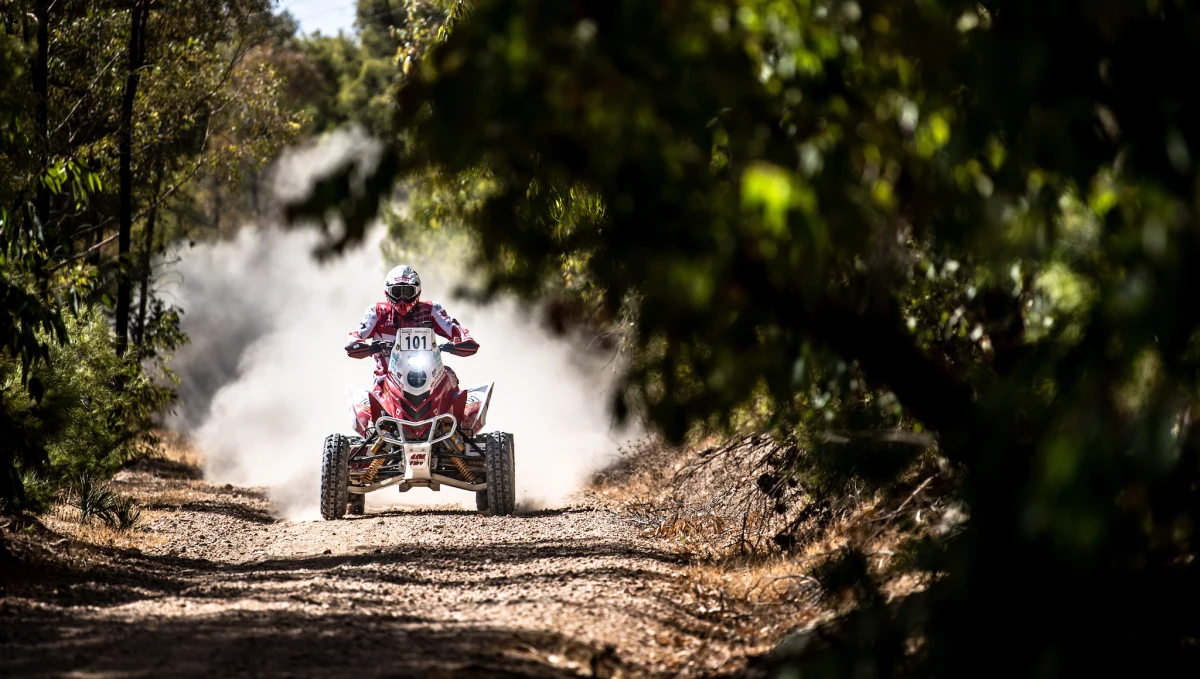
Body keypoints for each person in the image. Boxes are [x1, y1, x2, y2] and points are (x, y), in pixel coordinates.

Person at [344, 264, 479, 388]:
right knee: (365, 405)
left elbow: (455, 328)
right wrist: (358, 344)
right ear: (388, 292)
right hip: (386, 376)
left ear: (417, 291)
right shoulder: (377, 311)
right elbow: (356, 334)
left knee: (450, 378)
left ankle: (461, 414)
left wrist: (465, 339)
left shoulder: (432, 309)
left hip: (430, 374)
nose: (402, 300)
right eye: (397, 292)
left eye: (407, 292)